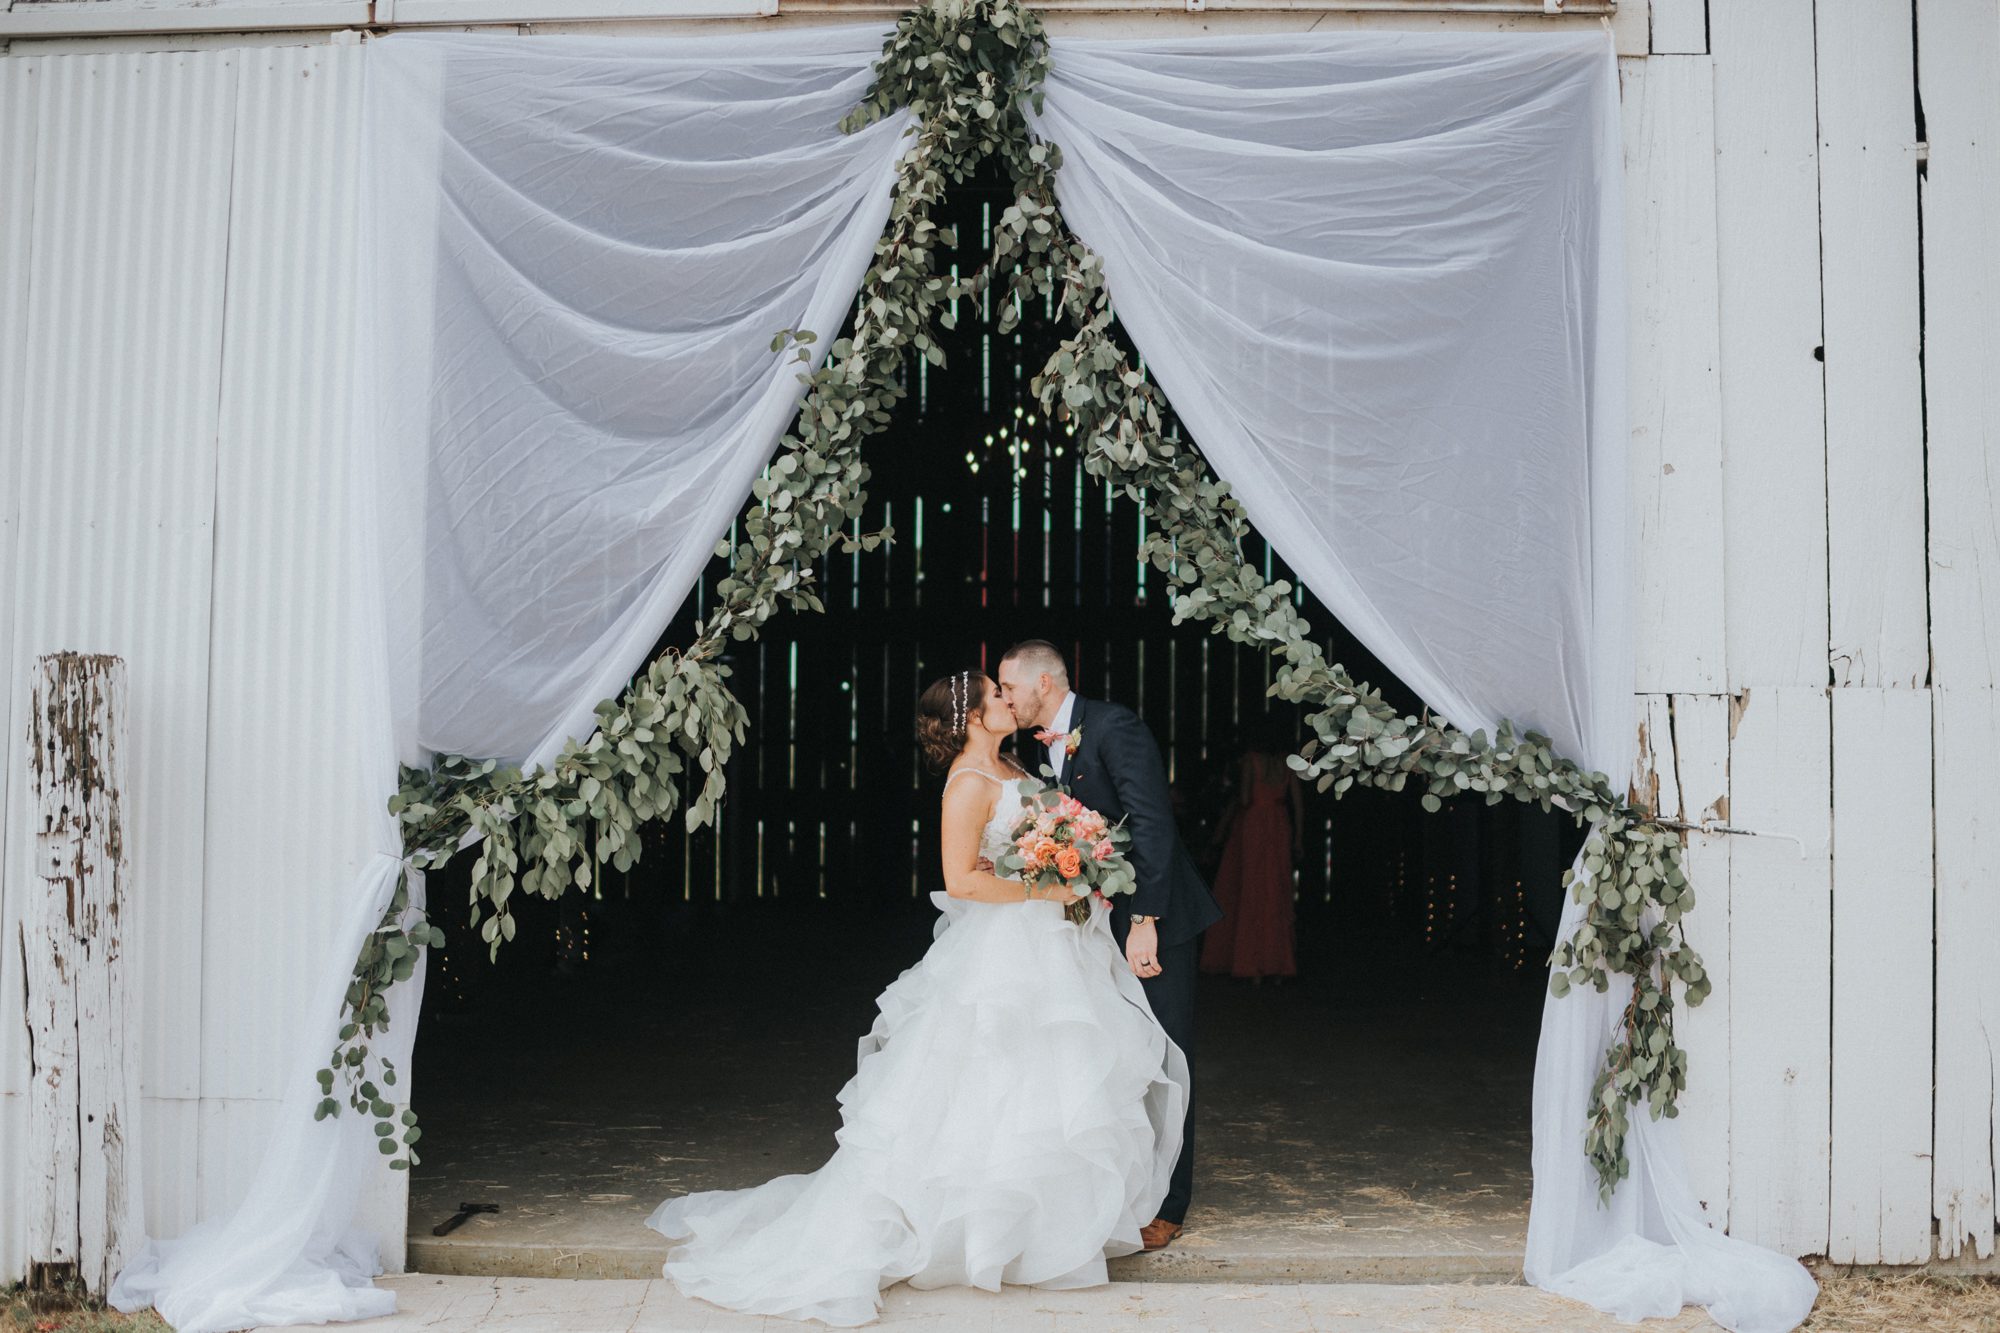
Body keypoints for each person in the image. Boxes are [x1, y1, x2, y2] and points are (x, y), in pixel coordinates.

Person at [644, 670, 1189, 1327]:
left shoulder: (1015, 762)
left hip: (1054, 941)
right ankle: (975, 1230)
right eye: (995, 694)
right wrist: (1047, 887)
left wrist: (1072, 857)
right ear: (972, 716)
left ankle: (1041, 1229)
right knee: (994, 1078)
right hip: (1006, 949)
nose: (1007, 699)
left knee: (1052, 1076)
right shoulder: (967, 782)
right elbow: (961, 880)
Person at [995, 639, 1224, 1252]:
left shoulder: (1113, 727)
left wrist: (1146, 918)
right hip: (1097, 922)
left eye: (1010, 686)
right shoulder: (1038, 748)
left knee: (1167, 1056)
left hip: (1154, 919)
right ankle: (1124, 1192)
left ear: (1044, 683)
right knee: (1117, 1056)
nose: (1005, 698)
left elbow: (1152, 824)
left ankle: (1169, 1206)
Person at [1199, 722, 1304, 982]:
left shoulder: (1251, 760)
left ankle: (1252, 963)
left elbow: (1245, 798)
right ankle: (1278, 964)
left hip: (1254, 824)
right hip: (1279, 825)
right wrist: (1298, 838)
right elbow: (1298, 805)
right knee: (1277, 891)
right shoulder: (1288, 763)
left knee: (1251, 891)